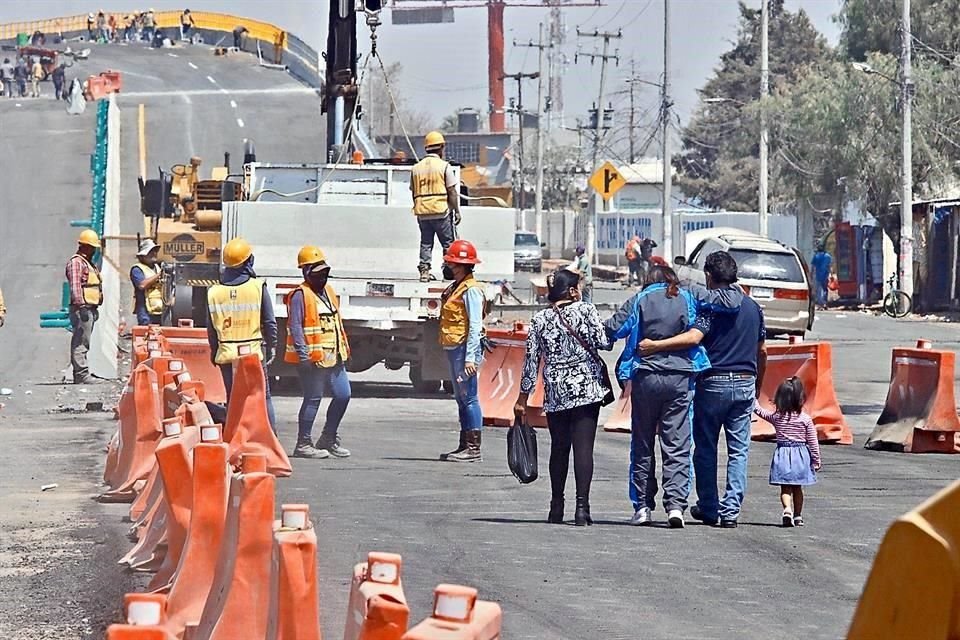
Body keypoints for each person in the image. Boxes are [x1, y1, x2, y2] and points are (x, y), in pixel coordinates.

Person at [639, 251, 767, 528]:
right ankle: (731, 510)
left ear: (709, 276)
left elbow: (694, 337)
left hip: (712, 382)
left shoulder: (710, 308)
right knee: (739, 450)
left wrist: (656, 346)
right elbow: (762, 351)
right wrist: (757, 385)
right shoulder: (754, 308)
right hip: (745, 381)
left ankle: (709, 507)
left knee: (706, 447)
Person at [515, 268, 611, 526]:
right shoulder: (587, 310)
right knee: (583, 449)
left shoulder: (540, 319)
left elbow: (531, 362)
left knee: (559, 448)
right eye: (578, 287)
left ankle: (556, 505)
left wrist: (522, 398)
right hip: (586, 389)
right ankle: (582, 508)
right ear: (571, 291)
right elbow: (603, 341)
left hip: (556, 391)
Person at [284, 246, 352, 460]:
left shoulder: (329, 292)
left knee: (344, 395)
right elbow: (295, 327)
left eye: (324, 272)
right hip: (313, 359)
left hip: (334, 356)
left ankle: (328, 438)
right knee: (313, 398)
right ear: (305, 271)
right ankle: (303, 443)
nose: (322, 277)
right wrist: (304, 355)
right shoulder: (299, 295)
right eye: (317, 273)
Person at [206, 237, 278, 429]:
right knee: (263, 396)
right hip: (252, 352)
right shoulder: (257, 287)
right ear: (248, 261)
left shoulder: (214, 292)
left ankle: (234, 439)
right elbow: (269, 321)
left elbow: (211, 329)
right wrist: (272, 346)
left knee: (233, 398)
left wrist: (214, 353)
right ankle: (272, 440)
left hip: (227, 354)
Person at [438, 239, 485, 462]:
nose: (447, 266)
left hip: (464, 350)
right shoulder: (456, 287)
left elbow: (475, 325)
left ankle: (473, 448)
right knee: (461, 398)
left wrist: (470, 359)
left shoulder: (471, 290)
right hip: (454, 348)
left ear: (460, 265)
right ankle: (464, 445)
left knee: (469, 398)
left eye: (450, 263)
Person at [754, 377, 821, 527]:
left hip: (783, 453)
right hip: (801, 455)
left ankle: (787, 510)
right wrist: (816, 460)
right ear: (800, 398)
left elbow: (760, 412)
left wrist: (753, 398)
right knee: (798, 488)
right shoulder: (805, 419)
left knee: (785, 488)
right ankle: (798, 516)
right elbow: (813, 441)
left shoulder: (777, 417)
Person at [411, 131, 460, 282]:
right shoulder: (445, 167)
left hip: (422, 212)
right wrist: (456, 210)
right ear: (441, 148)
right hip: (441, 211)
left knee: (426, 242)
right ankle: (449, 271)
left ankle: (424, 271)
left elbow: (413, 191)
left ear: (426, 148)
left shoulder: (415, 168)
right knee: (448, 243)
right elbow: (451, 191)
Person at [66, 230, 103, 384]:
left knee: (84, 341)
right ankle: (81, 374)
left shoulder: (86, 262)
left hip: (89, 308)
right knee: (81, 341)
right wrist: (81, 306)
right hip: (83, 308)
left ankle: (81, 373)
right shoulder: (76, 263)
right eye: (91, 247)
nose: (93, 251)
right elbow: (75, 286)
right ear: (84, 246)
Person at [130, 239, 164, 326]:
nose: (154, 253)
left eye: (155, 251)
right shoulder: (137, 269)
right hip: (145, 313)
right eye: (151, 251)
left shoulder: (158, 267)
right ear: (142, 256)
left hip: (160, 311)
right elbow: (142, 285)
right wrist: (159, 275)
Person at [811, 243, 832, 310]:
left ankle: (820, 303)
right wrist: (830, 274)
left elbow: (813, 267)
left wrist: (811, 274)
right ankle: (825, 302)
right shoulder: (828, 256)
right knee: (825, 289)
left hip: (818, 275)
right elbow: (829, 266)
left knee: (818, 290)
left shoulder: (816, 256)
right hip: (825, 275)